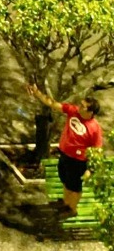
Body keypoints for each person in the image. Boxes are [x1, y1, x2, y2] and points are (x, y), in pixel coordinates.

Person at [26, 85, 102, 216]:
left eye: (83, 106)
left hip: (78, 161)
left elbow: (97, 150)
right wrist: (37, 93)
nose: (80, 107)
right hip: (64, 154)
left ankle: (72, 209)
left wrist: (90, 169)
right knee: (65, 180)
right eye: (81, 104)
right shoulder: (73, 111)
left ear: (91, 112)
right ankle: (66, 203)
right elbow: (54, 104)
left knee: (75, 187)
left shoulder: (95, 128)